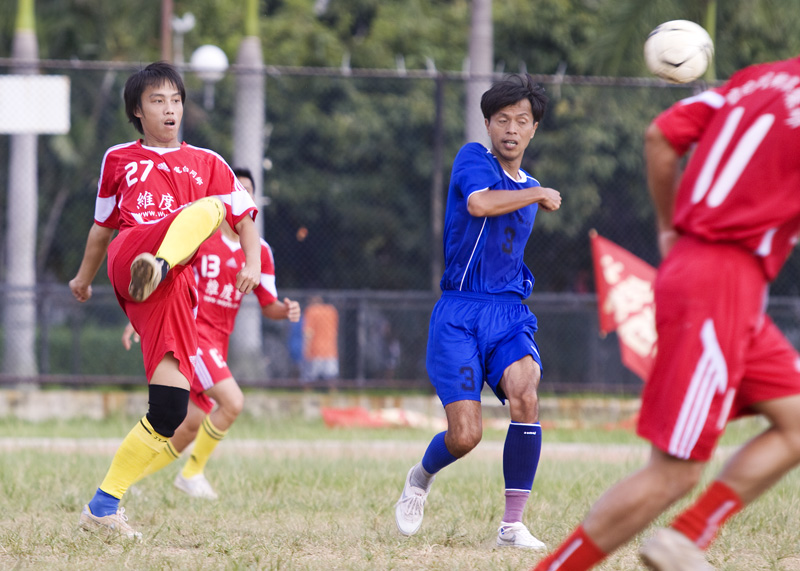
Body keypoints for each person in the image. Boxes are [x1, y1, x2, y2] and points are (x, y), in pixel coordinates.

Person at [532, 56, 800, 571]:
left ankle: (686, 538)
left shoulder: (756, 80)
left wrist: (668, 227)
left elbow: (660, 135)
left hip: (708, 274)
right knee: (674, 472)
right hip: (720, 285)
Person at [69, 62, 261, 539]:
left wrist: (252, 264)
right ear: (138, 110)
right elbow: (101, 229)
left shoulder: (208, 161)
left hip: (172, 285)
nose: (169, 109)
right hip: (133, 251)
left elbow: (244, 218)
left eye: (175, 100)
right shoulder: (119, 158)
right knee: (210, 207)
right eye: (157, 101)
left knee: (171, 411)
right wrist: (83, 279)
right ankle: (155, 263)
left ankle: (103, 506)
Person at [394, 74, 562, 549]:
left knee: (526, 391)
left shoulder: (530, 186)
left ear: (533, 130)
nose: (511, 129)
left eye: (522, 121)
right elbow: (480, 204)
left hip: (507, 314)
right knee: (466, 435)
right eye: (502, 119)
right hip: (459, 314)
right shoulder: (474, 158)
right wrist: (537, 194)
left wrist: (534, 191)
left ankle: (512, 526)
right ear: (487, 124)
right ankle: (420, 477)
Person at [122, 167, 301, 500]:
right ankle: (191, 474)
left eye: (246, 193)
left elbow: (268, 304)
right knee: (233, 402)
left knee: (191, 423)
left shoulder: (260, 252)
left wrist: (285, 310)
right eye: (234, 192)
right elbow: (165, 274)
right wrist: (139, 317)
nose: (240, 199)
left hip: (219, 343)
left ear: (253, 201)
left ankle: (128, 483)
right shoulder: (202, 237)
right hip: (193, 335)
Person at [301, 296, 340, 383]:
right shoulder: (331, 311)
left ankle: (308, 391)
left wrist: (306, 349)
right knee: (331, 379)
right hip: (330, 350)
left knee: (309, 379)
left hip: (314, 350)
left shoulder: (311, 311)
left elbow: (308, 333)